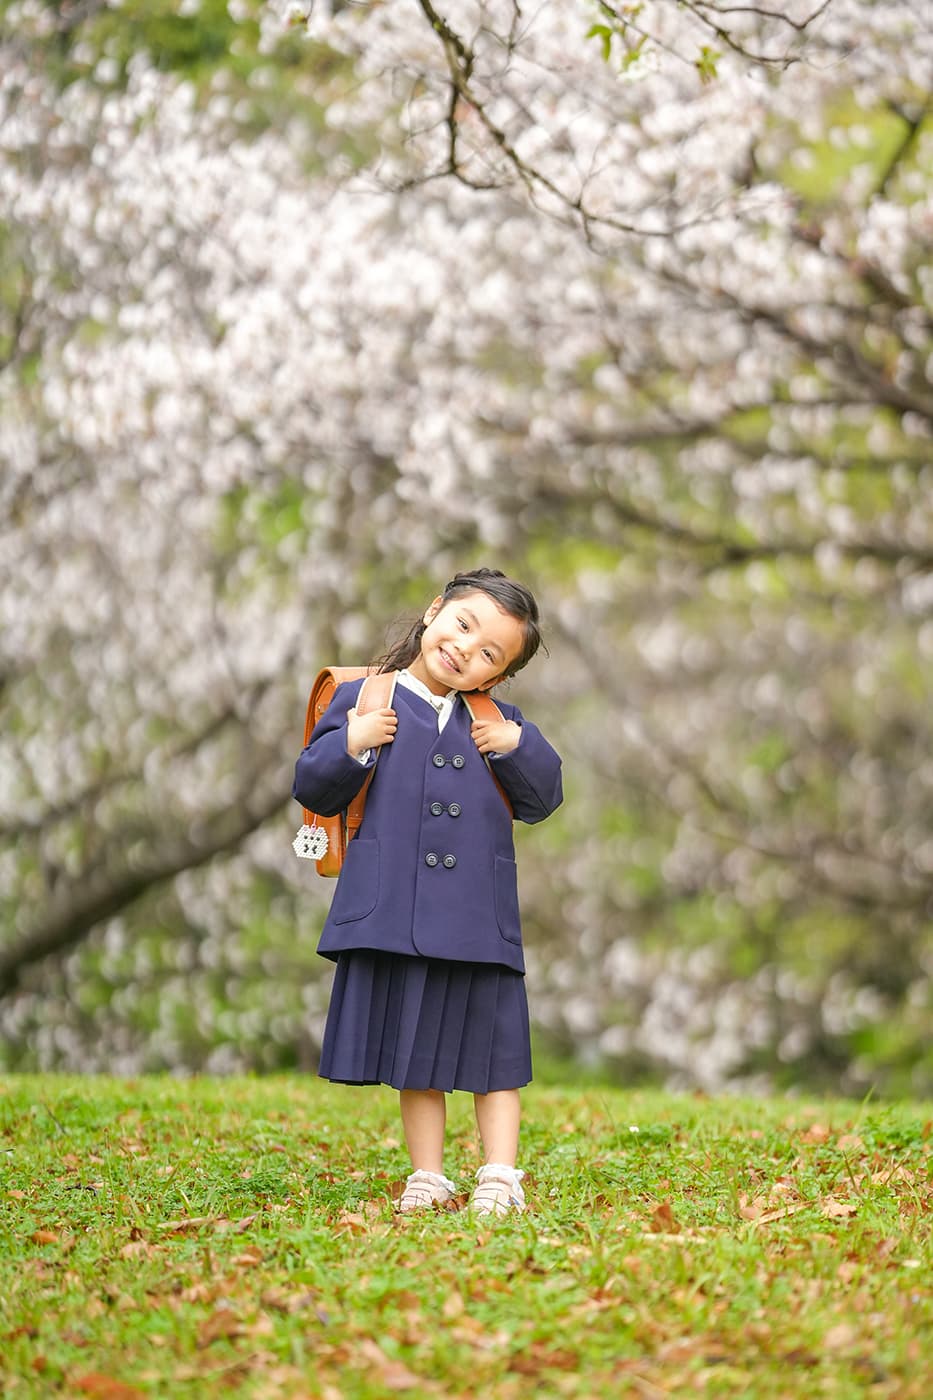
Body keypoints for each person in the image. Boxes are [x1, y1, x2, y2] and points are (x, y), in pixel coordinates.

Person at [292, 568, 563, 1217]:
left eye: (488, 653)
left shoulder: (495, 721)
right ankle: (429, 1175)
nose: (466, 648)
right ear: (434, 610)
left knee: (495, 1054)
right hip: (399, 911)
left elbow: (543, 797)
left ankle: (499, 1173)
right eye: (463, 625)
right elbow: (312, 786)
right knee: (418, 1055)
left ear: (493, 677)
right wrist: (353, 744)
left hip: (477, 916)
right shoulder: (366, 697)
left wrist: (517, 746)